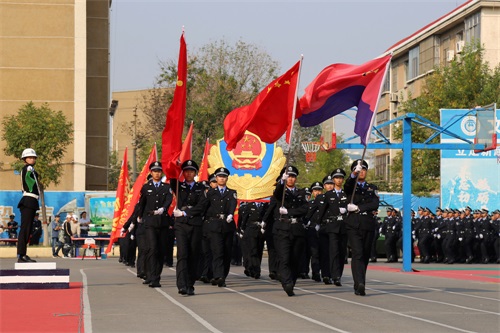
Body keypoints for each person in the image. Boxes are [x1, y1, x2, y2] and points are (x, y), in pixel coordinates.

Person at [189, 167, 237, 288]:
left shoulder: (232, 192)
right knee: (218, 251)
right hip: (214, 226)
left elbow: (232, 203)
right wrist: (187, 213)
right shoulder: (210, 193)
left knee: (227, 252)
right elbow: (202, 207)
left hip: (227, 225)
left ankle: (223, 275)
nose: (222, 178)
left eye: (224, 177)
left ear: (227, 178)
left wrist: (231, 214)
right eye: (220, 176)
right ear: (216, 178)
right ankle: (218, 276)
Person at [344, 159, 380, 296]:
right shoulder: (351, 186)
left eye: (364, 170)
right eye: (360, 170)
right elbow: (347, 185)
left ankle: (359, 282)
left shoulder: (372, 188)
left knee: (365, 254)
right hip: (353, 224)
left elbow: (374, 204)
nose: (362, 172)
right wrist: (353, 174)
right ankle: (360, 283)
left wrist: (359, 208)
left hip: (367, 223)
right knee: (357, 253)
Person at [135, 161, 173, 288]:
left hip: (162, 222)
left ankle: (156, 277)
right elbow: (142, 203)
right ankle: (150, 276)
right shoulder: (146, 187)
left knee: (161, 250)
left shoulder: (166, 187)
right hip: (150, 222)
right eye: (154, 171)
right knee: (152, 248)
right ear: (151, 173)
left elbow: (169, 199)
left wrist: (164, 208)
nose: (157, 173)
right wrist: (139, 217)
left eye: (159, 171)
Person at [171, 160, 206, 296]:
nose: (189, 173)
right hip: (181, 225)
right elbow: (171, 175)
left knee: (193, 254)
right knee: (182, 254)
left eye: (191, 171)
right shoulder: (179, 186)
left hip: (195, 223)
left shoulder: (201, 188)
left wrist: (186, 212)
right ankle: (181, 285)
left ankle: (190, 283)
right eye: (186, 171)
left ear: (195, 173)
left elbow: (201, 206)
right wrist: (176, 164)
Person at [273, 165, 309, 296]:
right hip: (283, 229)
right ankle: (287, 281)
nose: (291, 179)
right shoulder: (281, 192)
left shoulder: (302, 193)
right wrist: (281, 182)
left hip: (297, 228)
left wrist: (289, 211)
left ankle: (291, 282)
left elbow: (305, 208)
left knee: (295, 258)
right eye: (288, 177)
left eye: (293, 177)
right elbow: (277, 193)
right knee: (284, 257)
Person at [316, 168, 349, 287]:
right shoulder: (328, 195)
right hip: (332, 226)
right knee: (333, 251)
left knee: (341, 252)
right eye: (336, 178)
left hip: (344, 226)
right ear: (333, 180)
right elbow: (322, 210)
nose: (339, 180)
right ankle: (335, 276)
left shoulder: (347, 194)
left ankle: (338, 274)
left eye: (341, 178)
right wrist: (318, 223)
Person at [17, 148, 40, 263]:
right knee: (25, 229)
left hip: (32, 201)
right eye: (29, 157)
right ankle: (21, 255)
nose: (32, 159)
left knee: (28, 229)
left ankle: (23, 254)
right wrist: (31, 172)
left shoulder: (31, 169)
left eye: (33, 157)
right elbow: (29, 181)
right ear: (25, 159)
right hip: (28, 200)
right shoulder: (28, 168)